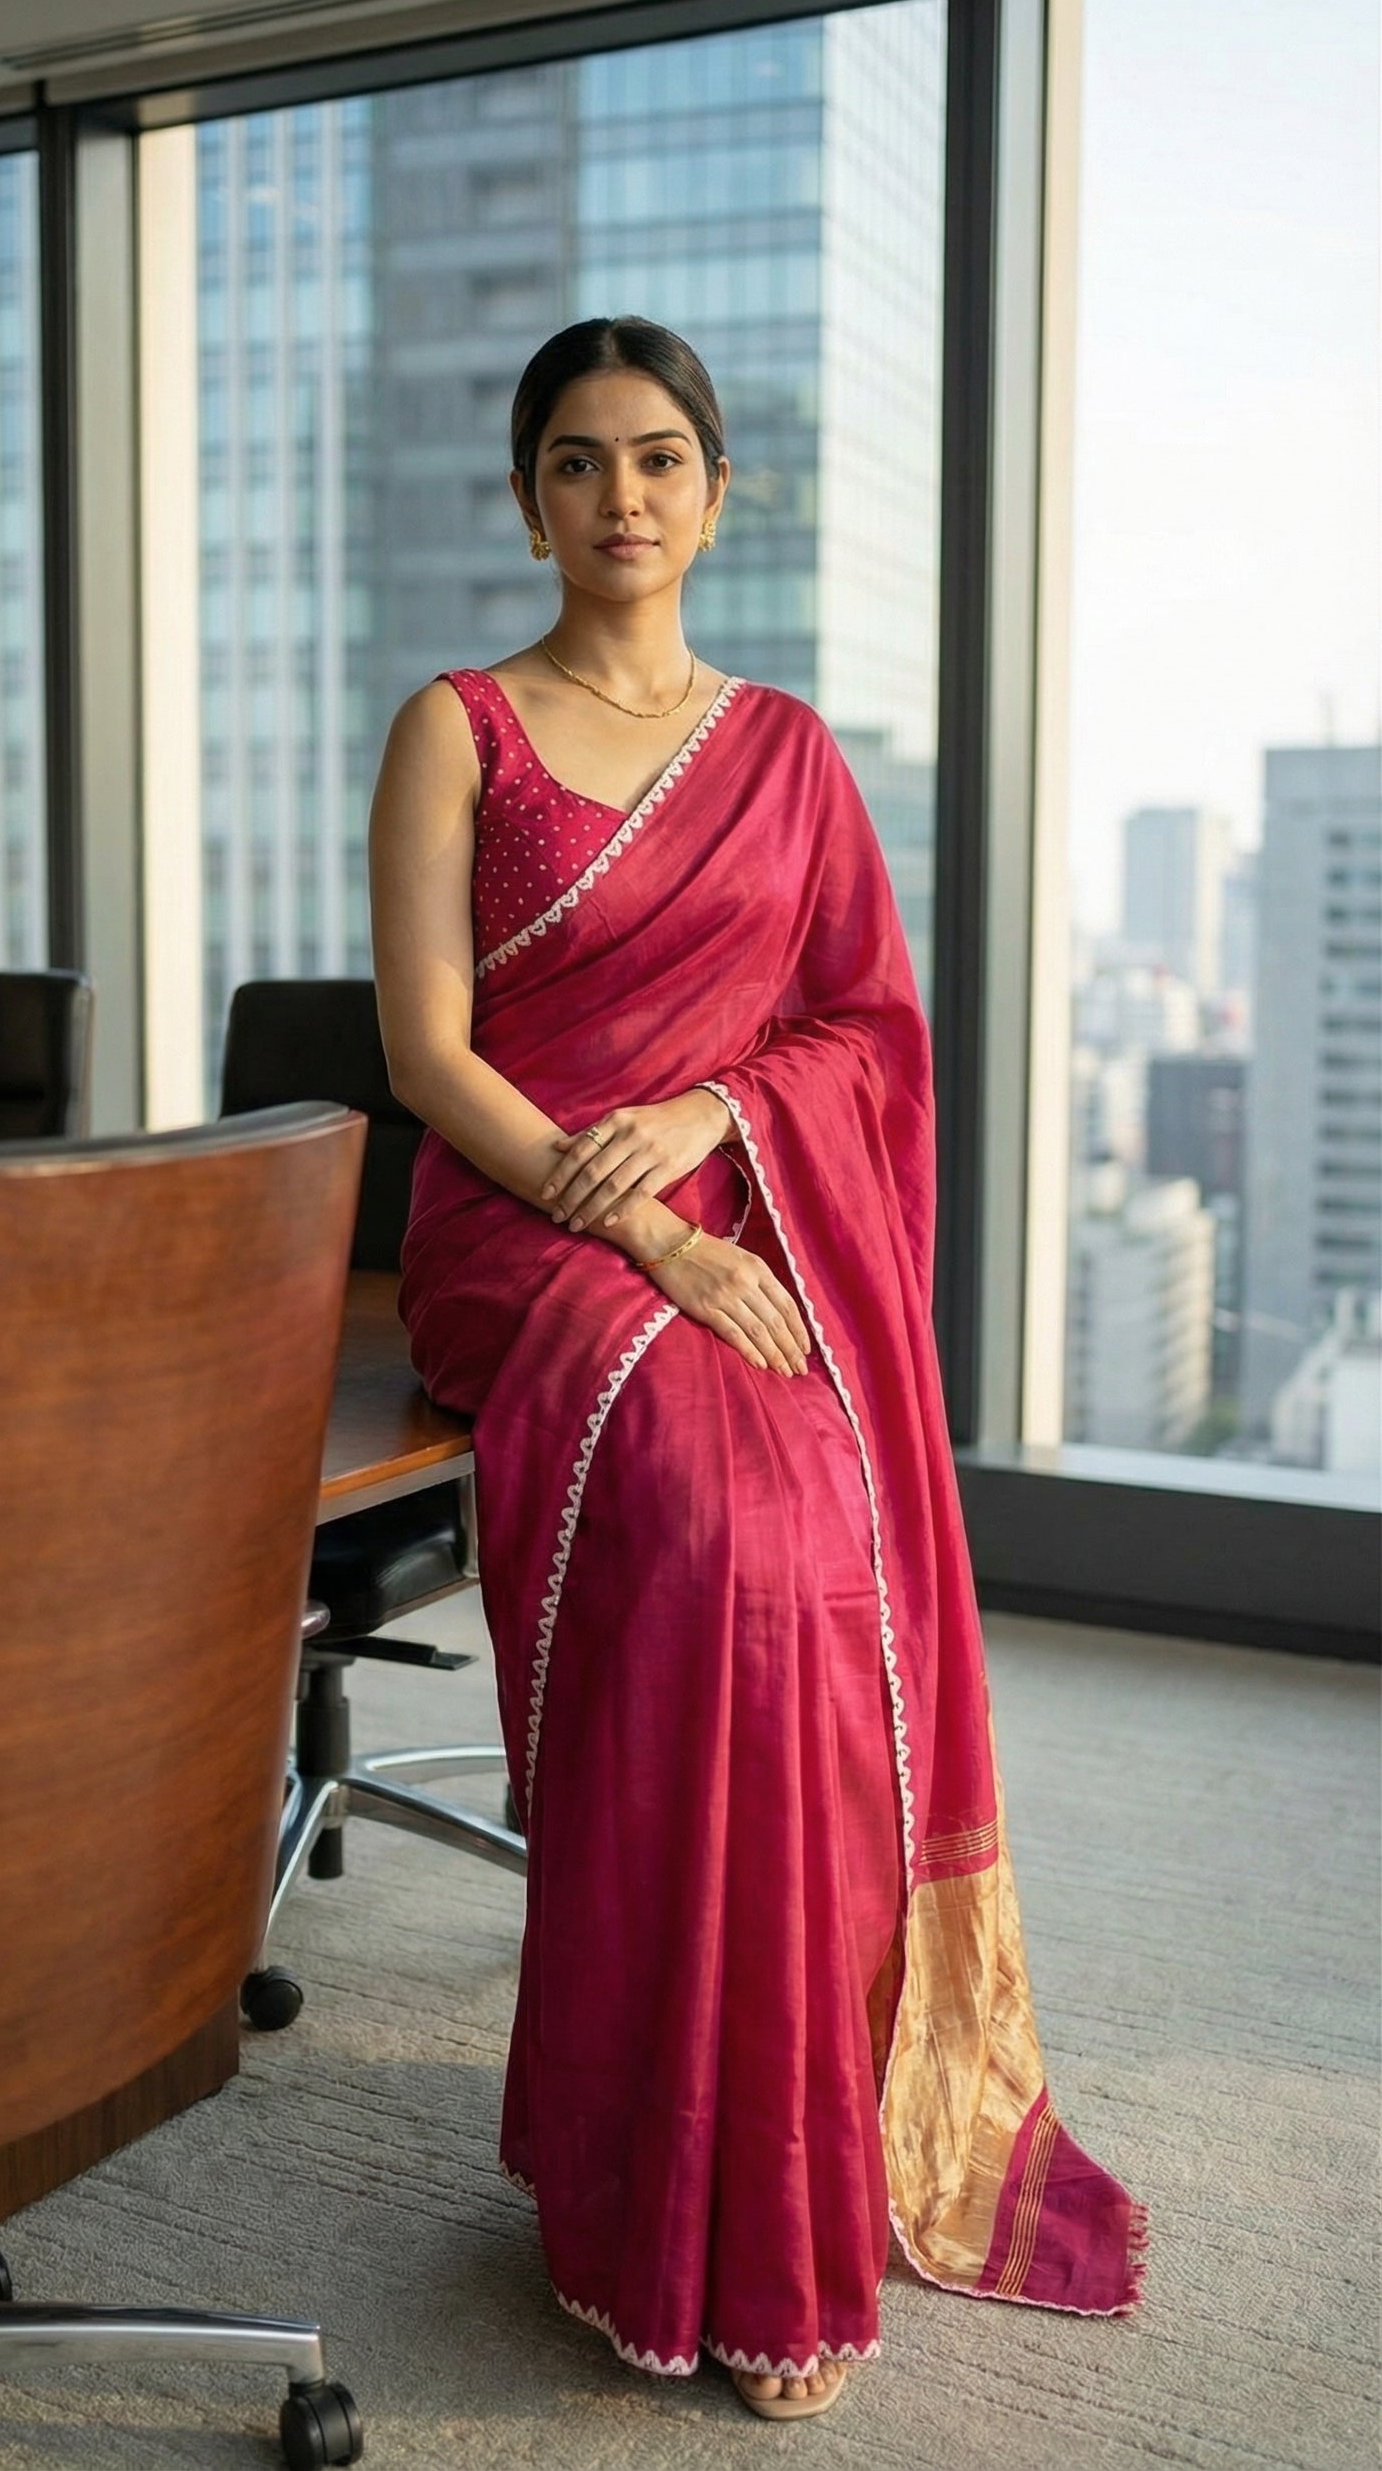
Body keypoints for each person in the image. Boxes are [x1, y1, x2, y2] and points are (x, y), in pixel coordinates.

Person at [369, 315, 1147, 2422]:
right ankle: (644, 2195)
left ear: (717, 493)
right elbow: (426, 1054)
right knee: (719, 1536)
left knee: (813, 1556)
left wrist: (716, 1128)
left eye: (657, 457)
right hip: (523, 1225)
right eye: (574, 461)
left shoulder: (788, 755)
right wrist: (627, 1220)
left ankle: (776, 2181)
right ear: (528, 499)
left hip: (734, 1218)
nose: (619, 495)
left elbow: (862, 1034)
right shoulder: (459, 726)